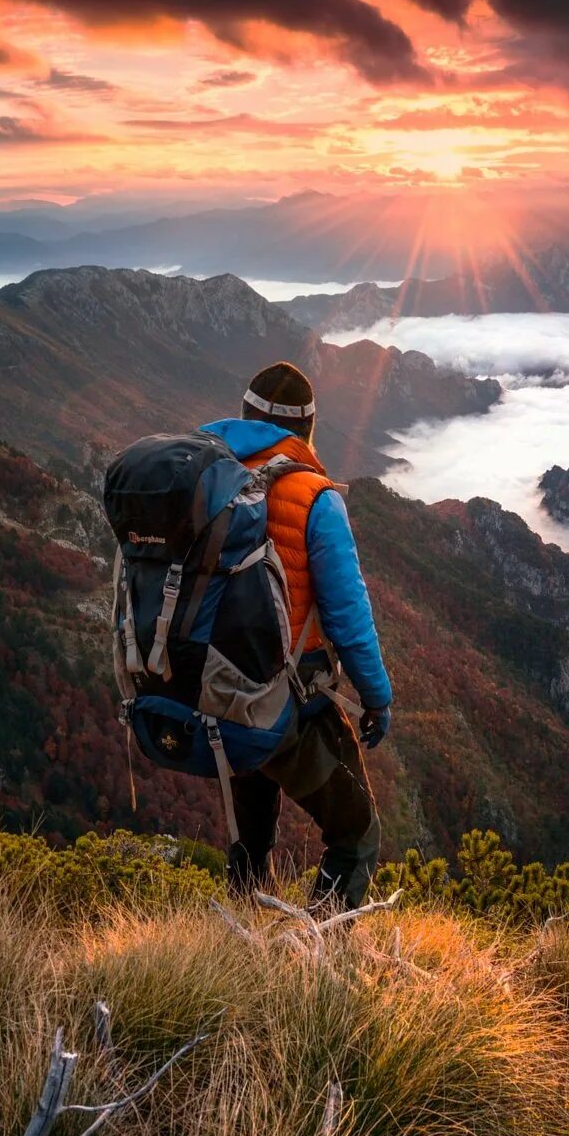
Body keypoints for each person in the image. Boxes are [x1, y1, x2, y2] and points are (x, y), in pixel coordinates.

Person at [198, 361, 392, 909]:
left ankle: (234, 947)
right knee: (356, 837)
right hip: (287, 695)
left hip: (213, 687)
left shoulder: (201, 477)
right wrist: (376, 698)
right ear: (306, 429)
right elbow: (349, 620)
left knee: (251, 833)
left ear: (243, 415)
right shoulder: (315, 497)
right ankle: (314, 965)